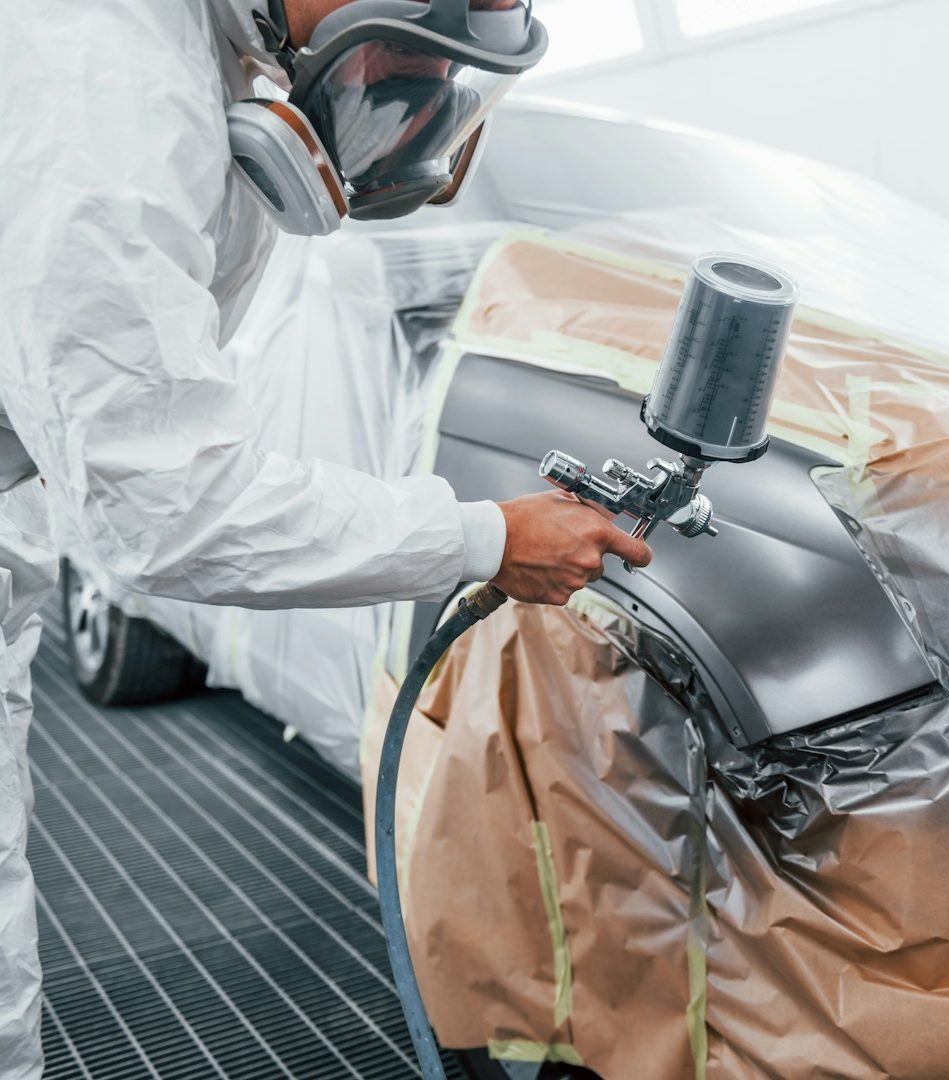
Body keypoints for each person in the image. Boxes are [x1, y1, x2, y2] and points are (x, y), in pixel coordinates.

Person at [0, 1, 652, 1074]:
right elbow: (176, 505)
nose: (406, 86)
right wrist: (484, 536)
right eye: (416, 43)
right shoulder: (98, 82)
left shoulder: (193, 47)